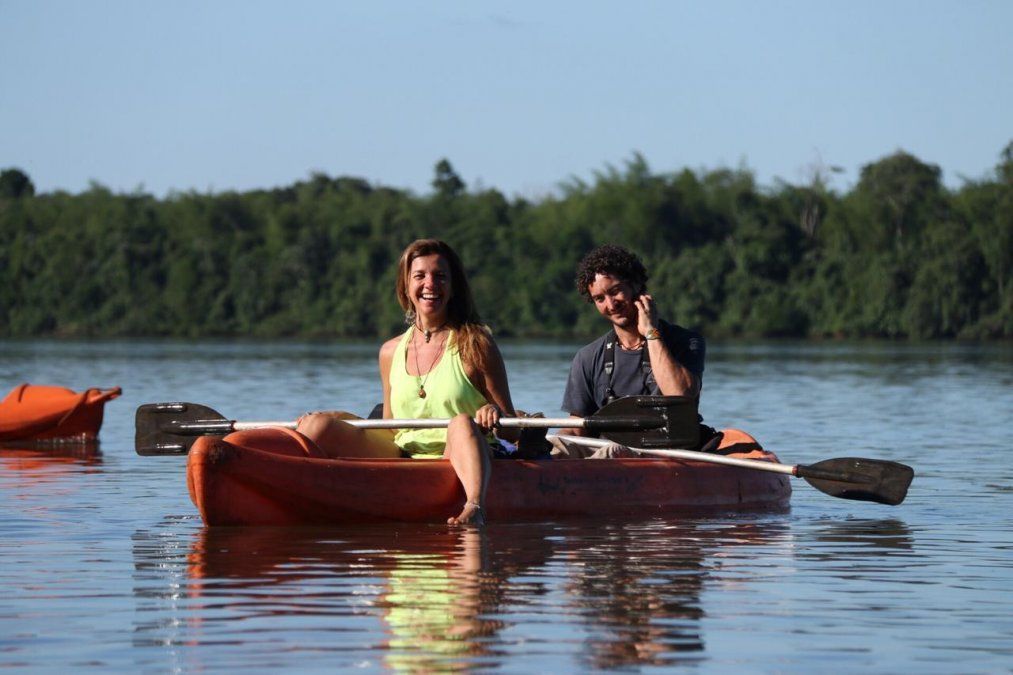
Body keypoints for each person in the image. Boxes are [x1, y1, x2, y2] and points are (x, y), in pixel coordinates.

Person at [297, 239, 519, 526]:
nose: (430, 284)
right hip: (402, 454)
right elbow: (390, 427)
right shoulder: (389, 351)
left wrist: (494, 412)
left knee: (461, 422)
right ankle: (295, 492)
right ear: (405, 286)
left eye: (440, 276)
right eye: (420, 276)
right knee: (318, 424)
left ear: (453, 288)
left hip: (458, 454)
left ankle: (474, 507)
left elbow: (513, 432)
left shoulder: (476, 343)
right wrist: (335, 419)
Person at [561, 244, 705, 441]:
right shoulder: (586, 357)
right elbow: (577, 428)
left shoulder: (686, 342)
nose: (611, 305)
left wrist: (651, 333)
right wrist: (550, 444)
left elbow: (681, 396)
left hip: (666, 452)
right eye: (600, 298)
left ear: (636, 284)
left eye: (616, 291)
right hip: (607, 458)